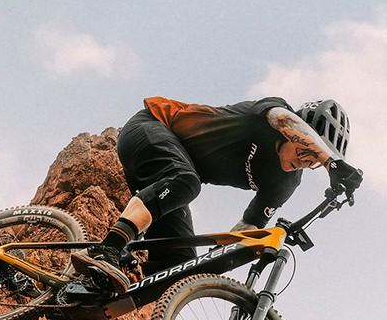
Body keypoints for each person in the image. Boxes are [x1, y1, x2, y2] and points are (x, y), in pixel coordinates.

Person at [68, 96, 361, 290]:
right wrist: (330, 162)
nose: (308, 161)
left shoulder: (284, 182)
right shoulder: (271, 116)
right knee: (187, 181)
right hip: (149, 128)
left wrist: (218, 260)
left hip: (166, 181)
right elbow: (283, 118)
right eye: (307, 149)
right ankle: (107, 249)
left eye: (314, 161)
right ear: (296, 132)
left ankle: (87, 292)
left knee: (177, 268)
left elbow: (249, 228)